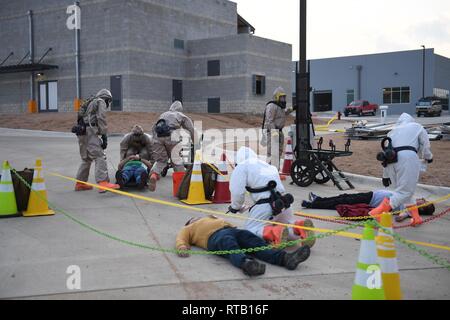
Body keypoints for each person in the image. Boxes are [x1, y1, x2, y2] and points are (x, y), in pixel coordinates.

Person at [228, 147, 315, 247]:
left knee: (250, 231)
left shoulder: (242, 166)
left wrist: (235, 207)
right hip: (284, 202)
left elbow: (237, 192)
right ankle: (299, 227)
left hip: (265, 205)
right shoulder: (268, 166)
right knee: (287, 227)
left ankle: (274, 232)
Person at [176, 215, 311, 277]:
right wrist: (182, 246)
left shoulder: (210, 218)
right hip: (214, 237)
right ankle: (247, 264)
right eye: (193, 218)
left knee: (254, 241)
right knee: (229, 245)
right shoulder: (190, 227)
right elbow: (181, 237)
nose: (196, 218)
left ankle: (286, 259)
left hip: (233, 230)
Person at [369, 113, 433, 226]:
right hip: (407, 158)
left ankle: (416, 217)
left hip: (390, 162)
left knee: (406, 192)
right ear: (411, 120)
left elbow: (386, 153)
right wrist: (428, 157)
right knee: (405, 191)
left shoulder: (392, 131)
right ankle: (377, 212)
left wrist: (385, 176)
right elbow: (425, 145)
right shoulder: (417, 126)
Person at [74, 89, 120, 193]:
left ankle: (80, 183)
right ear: (107, 98)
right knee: (99, 156)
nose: (108, 103)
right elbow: (101, 118)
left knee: (86, 158)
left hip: (81, 132)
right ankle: (103, 183)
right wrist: (104, 135)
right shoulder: (100, 101)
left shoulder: (89, 102)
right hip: (90, 132)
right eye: (109, 101)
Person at [302, 191, 435, 223]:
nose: (420, 199)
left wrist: (408, 216)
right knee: (343, 197)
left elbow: (401, 217)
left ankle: (315, 202)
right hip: (372, 194)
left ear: (422, 207)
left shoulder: (410, 210)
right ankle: (317, 200)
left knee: (342, 201)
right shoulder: (410, 199)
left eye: (422, 201)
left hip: (371, 200)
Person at [149, 101, 195, 192]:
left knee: (161, 160)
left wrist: (155, 141)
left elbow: (153, 128)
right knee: (177, 161)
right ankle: (181, 188)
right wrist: (195, 142)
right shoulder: (180, 115)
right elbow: (191, 129)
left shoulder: (163, 114)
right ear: (180, 109)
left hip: (158, 137)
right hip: (172, 137)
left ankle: (154, 175)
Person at [262, 87, 290, 168]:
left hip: (279, 132)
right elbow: (269, 121)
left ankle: (275, 171)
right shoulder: (272, 106)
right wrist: (274, 133)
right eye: (282, 97)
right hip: (272, 132)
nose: (284, 99)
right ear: (277, 97)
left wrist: (292, 109)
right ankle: (269, 171)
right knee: (271, 153)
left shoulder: (279, 106)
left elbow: (284, 113)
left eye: (284, 97)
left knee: (278, 152)